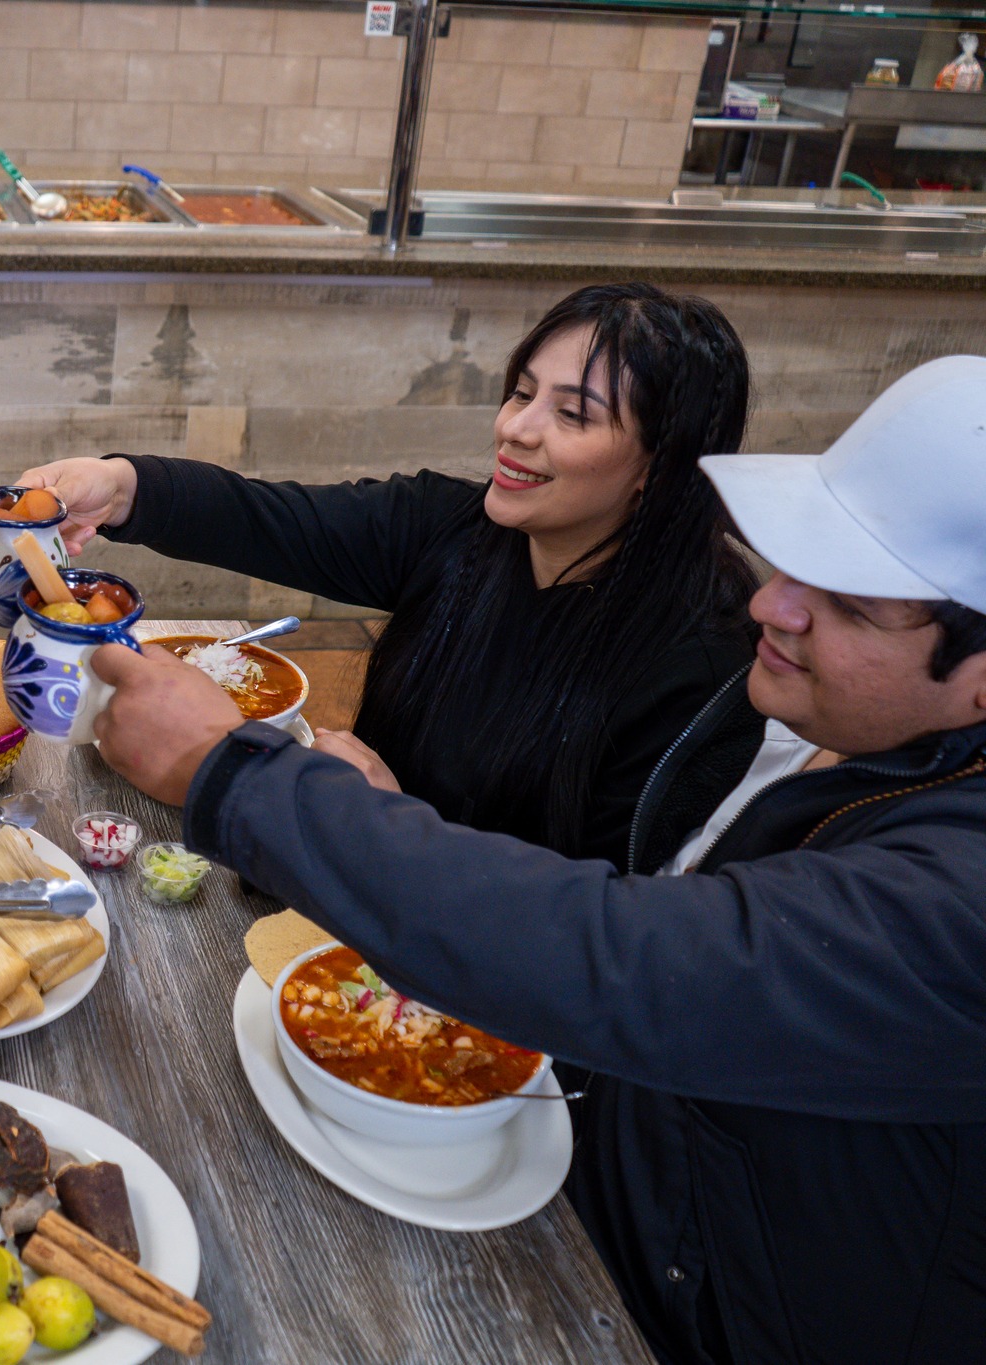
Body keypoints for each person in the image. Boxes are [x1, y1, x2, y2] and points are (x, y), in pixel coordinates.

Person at [88, 355, 986, 1363]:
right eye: (789, 562)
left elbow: (622, 956)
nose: (771, 607)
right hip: (566, 1159)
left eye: (852, 604)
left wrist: (236, 777)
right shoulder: (850, 738)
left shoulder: (953, 897)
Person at [21, 283, 761, 868]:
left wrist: (390, 827)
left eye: (572, 414)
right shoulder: (456, 529)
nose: (515, 428)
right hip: (340, 890)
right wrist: (120, 486)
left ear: (660, 469)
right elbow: (270, 520)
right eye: (521, 392)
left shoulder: (698, 667)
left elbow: (601, 928)